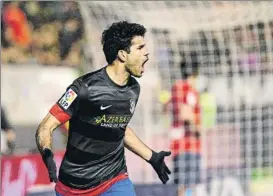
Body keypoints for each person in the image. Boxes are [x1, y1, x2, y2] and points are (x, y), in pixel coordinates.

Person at [35, 21, 171, 196]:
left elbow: (118, 128)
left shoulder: (133, 89)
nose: (146, 53)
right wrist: (47, 154)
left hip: (114, 180)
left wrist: (151, 156)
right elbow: (45, 127)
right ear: (122, 55)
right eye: (140, 48)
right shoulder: (83, 88)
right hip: (73, 186)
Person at [165, 58, 201, 196]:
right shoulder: (189, 90)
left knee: (182, 186)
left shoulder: (175, 88)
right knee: (189, 186)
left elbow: (167, 107)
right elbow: (185, 113)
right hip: (189, 145)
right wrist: (198, 130)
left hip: (178, 145)